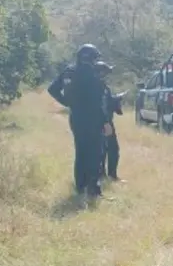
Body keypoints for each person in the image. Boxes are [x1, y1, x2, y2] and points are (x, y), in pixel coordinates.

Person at [48, 44, 111, 199]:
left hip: (76, 117)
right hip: (92, 118)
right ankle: (93, 189)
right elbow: (97, 101)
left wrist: (68, 103)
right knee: (95, 153)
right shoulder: (91, 74)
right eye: (95, 58)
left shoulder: (69, 71)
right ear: (90, 58)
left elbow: (52, 89)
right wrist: (105, 121)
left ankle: (80, 187)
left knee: (81, 151)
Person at [97, 62, 124, 181]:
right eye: (105, 72)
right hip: (102, 122)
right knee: (102, 150)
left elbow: (108, 102)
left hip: (106, 121)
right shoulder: (98, 87)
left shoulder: (103, 87)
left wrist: (117, 99)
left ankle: (112, 175)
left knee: (112, 149)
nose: (107, 74)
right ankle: (102, 175)